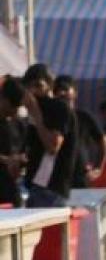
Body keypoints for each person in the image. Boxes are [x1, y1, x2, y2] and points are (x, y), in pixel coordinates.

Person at [21, 64, 79, 207]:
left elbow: (53, 146)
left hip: (50, 187)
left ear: (49, 85)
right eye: (29, 87)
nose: (33, 91)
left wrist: (36, 114)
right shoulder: (38, 111)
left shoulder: (58, 108)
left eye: (38, 85)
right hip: (37, 186)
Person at [53, 75, 106, 188]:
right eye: (58, 90)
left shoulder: (83, 116)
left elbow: (104, 141)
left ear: (74, 93)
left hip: (80, 176)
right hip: (56, 177)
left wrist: (98, 168)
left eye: (65, 89)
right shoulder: (50, 118)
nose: (62, 93)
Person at [0, 78, 27, 206]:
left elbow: (25, 149)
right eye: (14, 105)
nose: (16, 110)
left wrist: (20, 159)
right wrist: (6, 160)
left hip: (12, 187)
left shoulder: (18, 124)